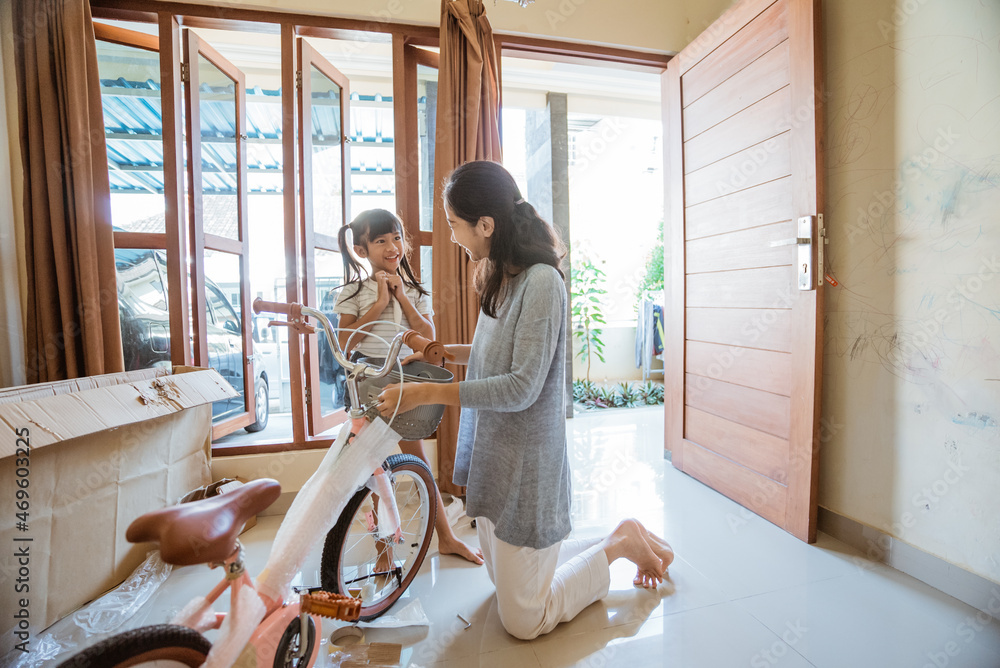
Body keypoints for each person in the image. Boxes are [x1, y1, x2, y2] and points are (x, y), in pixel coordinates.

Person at [375, 161, 674, 640]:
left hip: (526, 460)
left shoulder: (541, 282)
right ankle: (617, 537)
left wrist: (429, 392)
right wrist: (439, 353)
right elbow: (494, 355)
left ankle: (618, 544)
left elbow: (521, 386)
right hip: (496, 451)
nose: (451, 236)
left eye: (454, 224)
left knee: (524, 621)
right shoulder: (501, 275)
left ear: (485, 225)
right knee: (503, 583)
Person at [334, 208, 484, 565]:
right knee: (375, 468)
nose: (392, 246)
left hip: (403, 380)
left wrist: (400, 298)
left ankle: (446, 537)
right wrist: (381, 303)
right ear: (361, 250)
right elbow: (346, 341)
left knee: (418, 462)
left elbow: (429, 340)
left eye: (397, 238)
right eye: (381, 240)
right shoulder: (353, 291)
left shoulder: (415, 290)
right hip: (368, 380)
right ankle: (383, 550)